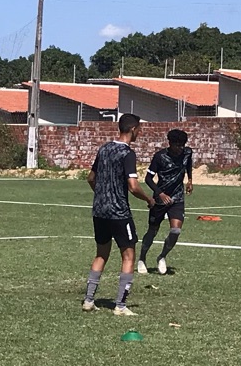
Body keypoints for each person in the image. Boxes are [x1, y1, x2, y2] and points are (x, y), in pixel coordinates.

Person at [84, 113, 153, 316]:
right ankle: (121, 306)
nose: (140, 133)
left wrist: (101, 195)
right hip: (119, 212)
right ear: (133, 130)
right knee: (129, 255)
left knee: (101, 254)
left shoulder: (104, 148)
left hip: (99, 211)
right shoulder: (127, 153)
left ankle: (88, 300)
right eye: (139, 129)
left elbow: (90, 178)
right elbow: (133, 186)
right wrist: (149, 199)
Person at [137, 127, 195, 275]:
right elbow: (148, 179)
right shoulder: (160, 157)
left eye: (182, 145)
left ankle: (162, 257)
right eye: (176, 145)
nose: (179, 148)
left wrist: (190, 180)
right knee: (152, 231)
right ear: (170, 143)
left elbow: (188, 165)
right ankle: (142, 258)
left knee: (175, 231)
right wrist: (160, 193)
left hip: (177, 198)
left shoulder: (187, 153)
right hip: (160, 199)